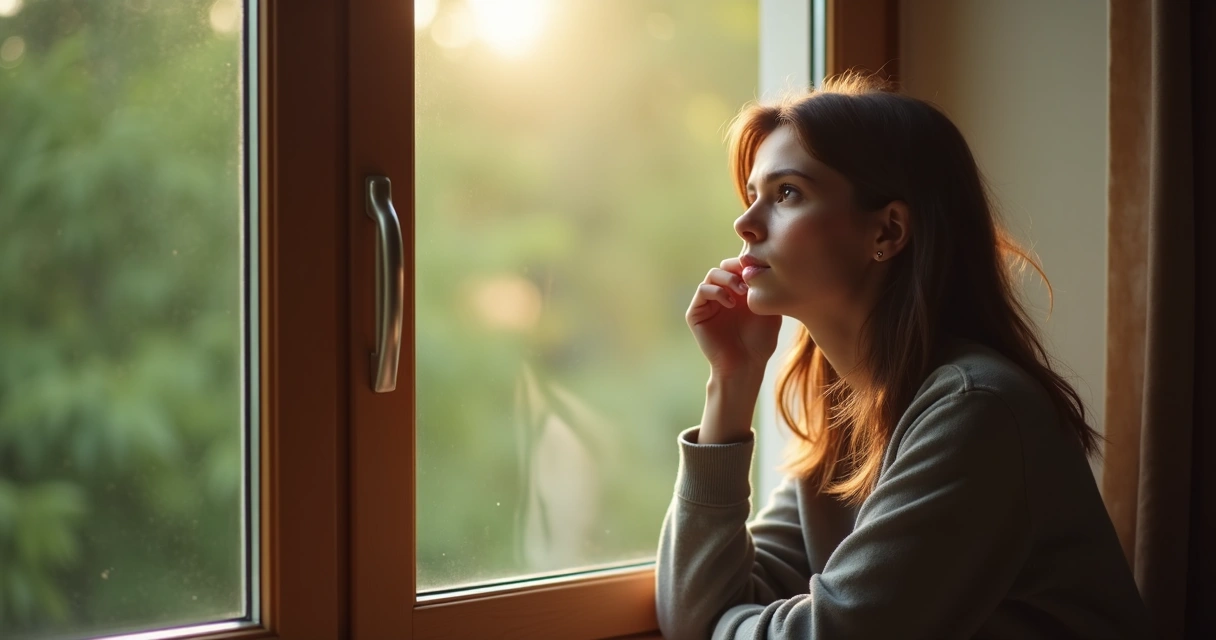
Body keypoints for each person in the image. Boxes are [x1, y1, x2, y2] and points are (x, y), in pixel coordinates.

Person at [655, 75, 1152, 639]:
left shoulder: (976, 411)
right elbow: (690, 613)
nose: (745, 224)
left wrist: (727, 625)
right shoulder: (849, 415)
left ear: (888, 231)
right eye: (752, 197)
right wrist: (732, 379)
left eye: (786, 193)